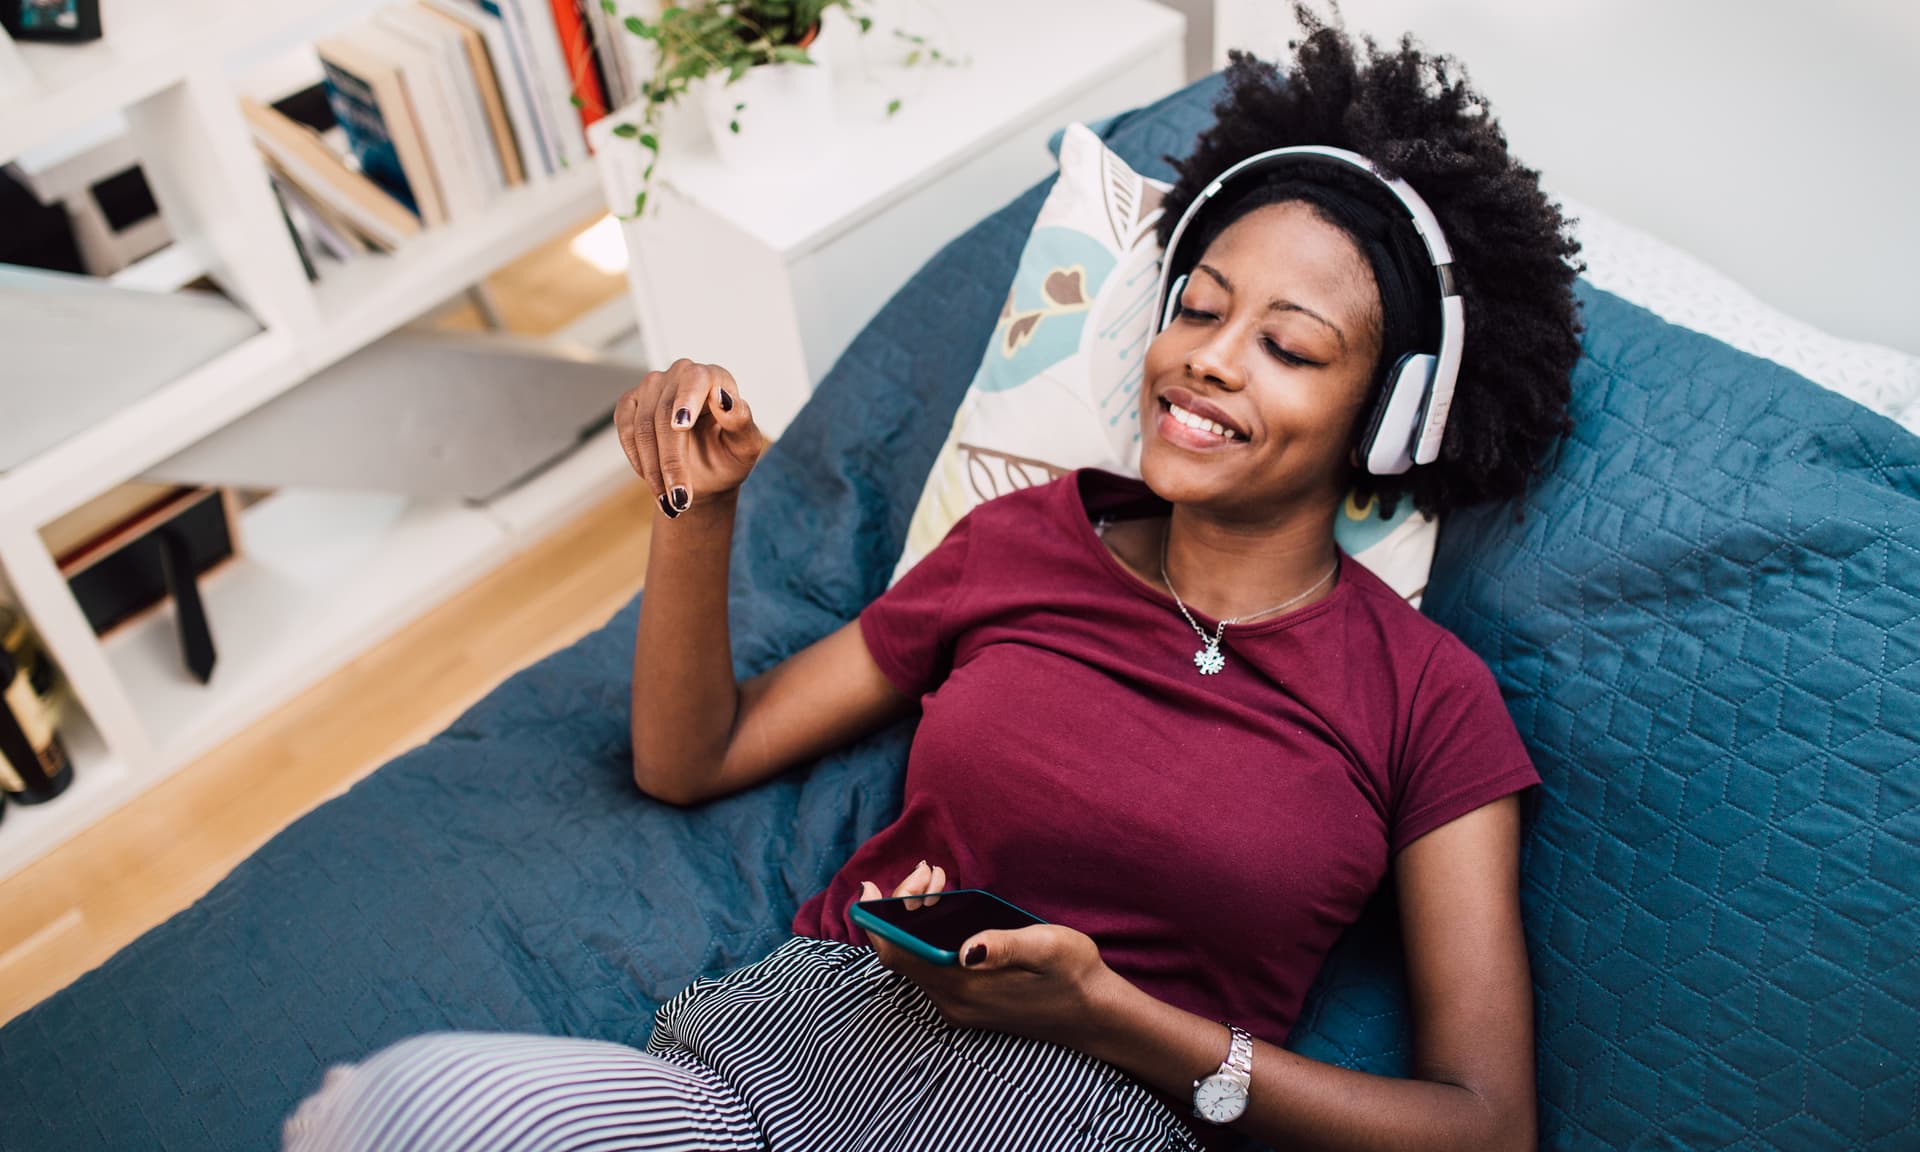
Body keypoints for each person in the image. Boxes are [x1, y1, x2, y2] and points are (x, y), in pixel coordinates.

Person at [282, 11, 1583, 1151]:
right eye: (1197, 307)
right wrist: (700, 510)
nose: (1209, 361)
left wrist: (1119, 1018)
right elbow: (692, 757)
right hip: (799, 1048)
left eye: (1289, 345)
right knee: (399, 1109)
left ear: (1394, 418)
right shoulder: (1025, 543)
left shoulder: (1428, 699)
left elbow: (1484, 1123)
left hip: (1096, 1111)